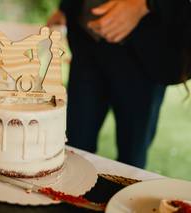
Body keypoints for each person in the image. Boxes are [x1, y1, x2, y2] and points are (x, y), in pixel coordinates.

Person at [47, 0, 191, 168]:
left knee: (131, 157)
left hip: (143, 56)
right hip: (86, 43)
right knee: (74, 146)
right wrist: (66, 7)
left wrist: (145, 4)